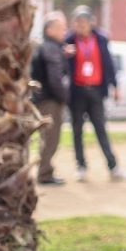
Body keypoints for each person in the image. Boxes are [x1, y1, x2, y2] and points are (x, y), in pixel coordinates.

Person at [65, 6, 126, 182]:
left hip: (96, 91)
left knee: (101, 129)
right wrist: (64, 54)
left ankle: (113, 166)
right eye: (77, 23)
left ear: (90, 23)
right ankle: (81, 166)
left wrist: (114, 86)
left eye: (84, 23)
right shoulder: (69, 40)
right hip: (77, 91)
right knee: (77, 130)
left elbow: (108, 64)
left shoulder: (101, 39)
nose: (80, 26)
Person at [31, 12, 70, 185]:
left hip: (44, 98)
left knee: (48, 138)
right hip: (49, 101)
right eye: (62, 28)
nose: (65, 31)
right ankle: (45, 174)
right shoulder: (50, 48)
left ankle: (45, 171)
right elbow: (55, 78)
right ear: (50, 30)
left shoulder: (51, 47)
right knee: (50, 139)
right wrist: (64, 96)